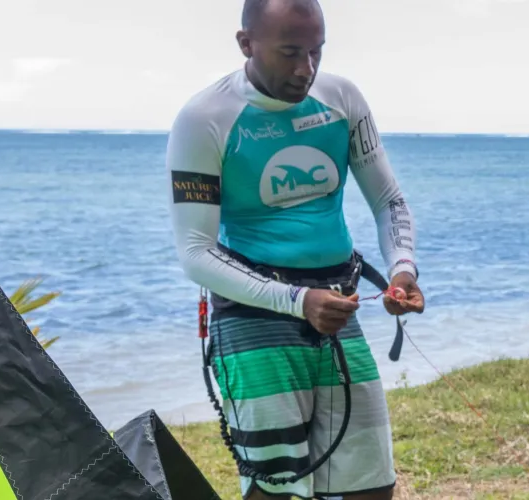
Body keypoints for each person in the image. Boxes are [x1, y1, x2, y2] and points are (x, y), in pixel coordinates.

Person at [166, 0, 419, 498]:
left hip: (339, 307)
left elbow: (388, 199)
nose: (306, 69)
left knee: (371, 485)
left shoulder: (341, 99)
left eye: (316, 51)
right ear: (246, 44)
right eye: (289, 53)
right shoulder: (204, 118)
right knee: (278, 489)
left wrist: (403, 270)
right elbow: (195, 251)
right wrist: (298, 301)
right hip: (252, 316)